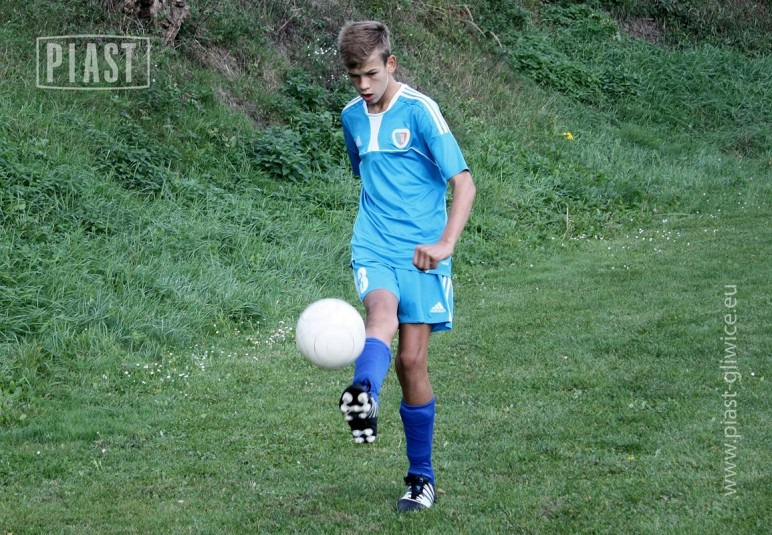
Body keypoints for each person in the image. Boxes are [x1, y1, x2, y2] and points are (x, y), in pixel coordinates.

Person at [336, 20, 476, 512]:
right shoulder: (351, 117)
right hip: (373, 244)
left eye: (371, 74)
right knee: (380, 314)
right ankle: (363, 394)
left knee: (411, 361)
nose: (363, 85)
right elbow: (365, 173)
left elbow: (464, 183)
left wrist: (445, 242)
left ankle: (421, 478)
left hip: (421, 252)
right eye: (354, 76)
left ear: (390, 64)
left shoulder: (420, 111)